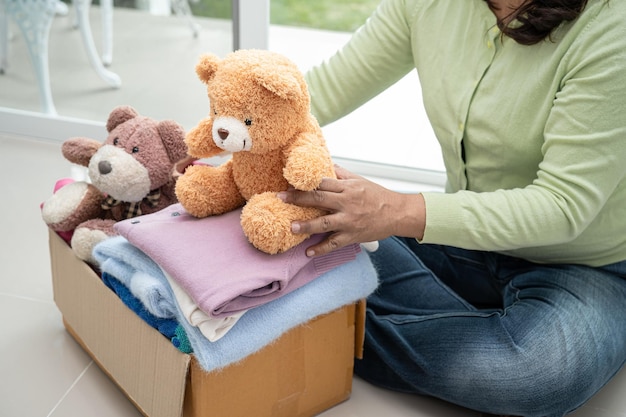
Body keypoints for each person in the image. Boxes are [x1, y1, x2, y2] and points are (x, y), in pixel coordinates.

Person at [277, 0, 626, 416]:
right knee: (302, 215)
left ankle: (299, 325)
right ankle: (327, 316)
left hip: (586, 266)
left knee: (533, 375)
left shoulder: (611, 25)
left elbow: (562, 206)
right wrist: (215, 143)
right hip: (461, 241)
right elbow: (325, 90)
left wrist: (395, 211)